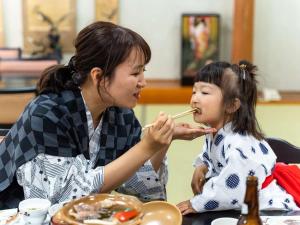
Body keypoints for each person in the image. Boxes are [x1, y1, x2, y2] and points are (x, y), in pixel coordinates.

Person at [0, 21, 213, 209]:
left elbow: (136, 186)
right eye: (135, 73)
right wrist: (145, 146)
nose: (143, 82)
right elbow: (60, 199)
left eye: (143, 72)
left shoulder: (121, 116)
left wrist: (162, 141)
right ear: (98, 76)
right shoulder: (48, 113)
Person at [177, 61, 299, 215]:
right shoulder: (214, 131)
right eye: (194, 92)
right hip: (243, 206)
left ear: (232, 105)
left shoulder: (239, 144)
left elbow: (232, 188)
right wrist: (202, 166)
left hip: (268, 210)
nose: (194, 99)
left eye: (205, 92)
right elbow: (209, 154)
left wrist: (196, 203)